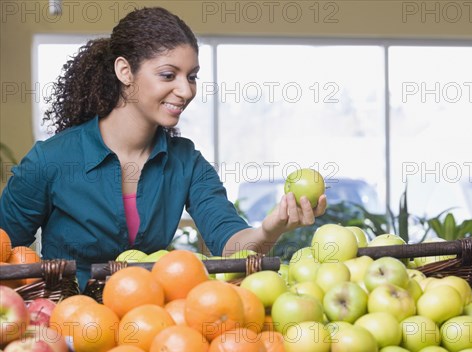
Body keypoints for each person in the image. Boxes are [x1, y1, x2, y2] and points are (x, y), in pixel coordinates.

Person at [0, 7, 326, 291]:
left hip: (156, 329)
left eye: (192, 76)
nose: (185, 91)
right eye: (168, 75)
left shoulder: (187, 163)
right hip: (70, 330)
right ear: (125, 72)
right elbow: (4, 250)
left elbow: (231, 248)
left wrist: (271, 229)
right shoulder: (51, 160)